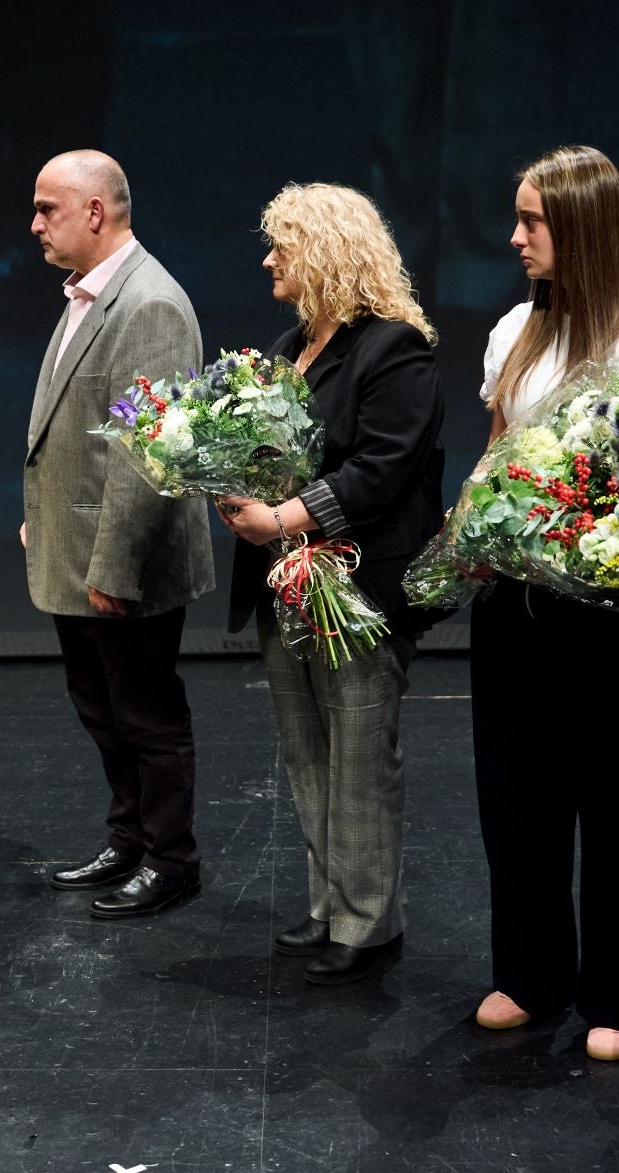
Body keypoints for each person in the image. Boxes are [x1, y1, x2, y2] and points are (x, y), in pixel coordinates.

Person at [468, 147, 619, 1057]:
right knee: (516, 800)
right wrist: (475, 538)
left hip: (614, 615)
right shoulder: (514, 333)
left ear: (583, 229)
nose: (517, 238)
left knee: (618, 807)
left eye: (533, 223)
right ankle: (529, 973)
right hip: (520, 610)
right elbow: (495, 456)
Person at [220, 183, 446, 985]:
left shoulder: (395, 349)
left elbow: (383, 471)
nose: (268, 259)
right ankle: (327, 904)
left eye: (282, 245)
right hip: (287, 587)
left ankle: (367, 918)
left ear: (324, 252)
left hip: (358, 594)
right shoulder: (288, 351)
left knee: (357, 755)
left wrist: (282, 517)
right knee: (305, 753)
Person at [22, 150, 212, 919]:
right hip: (77, 550)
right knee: (102, 709)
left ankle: (172, 860)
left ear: (95, 212)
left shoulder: (150, 306)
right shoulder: (87, 295)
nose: (34, 225)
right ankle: (129, 838)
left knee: (146, 715)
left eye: (47, 209)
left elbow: (146, 457)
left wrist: (116, 569)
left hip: (121, 562)